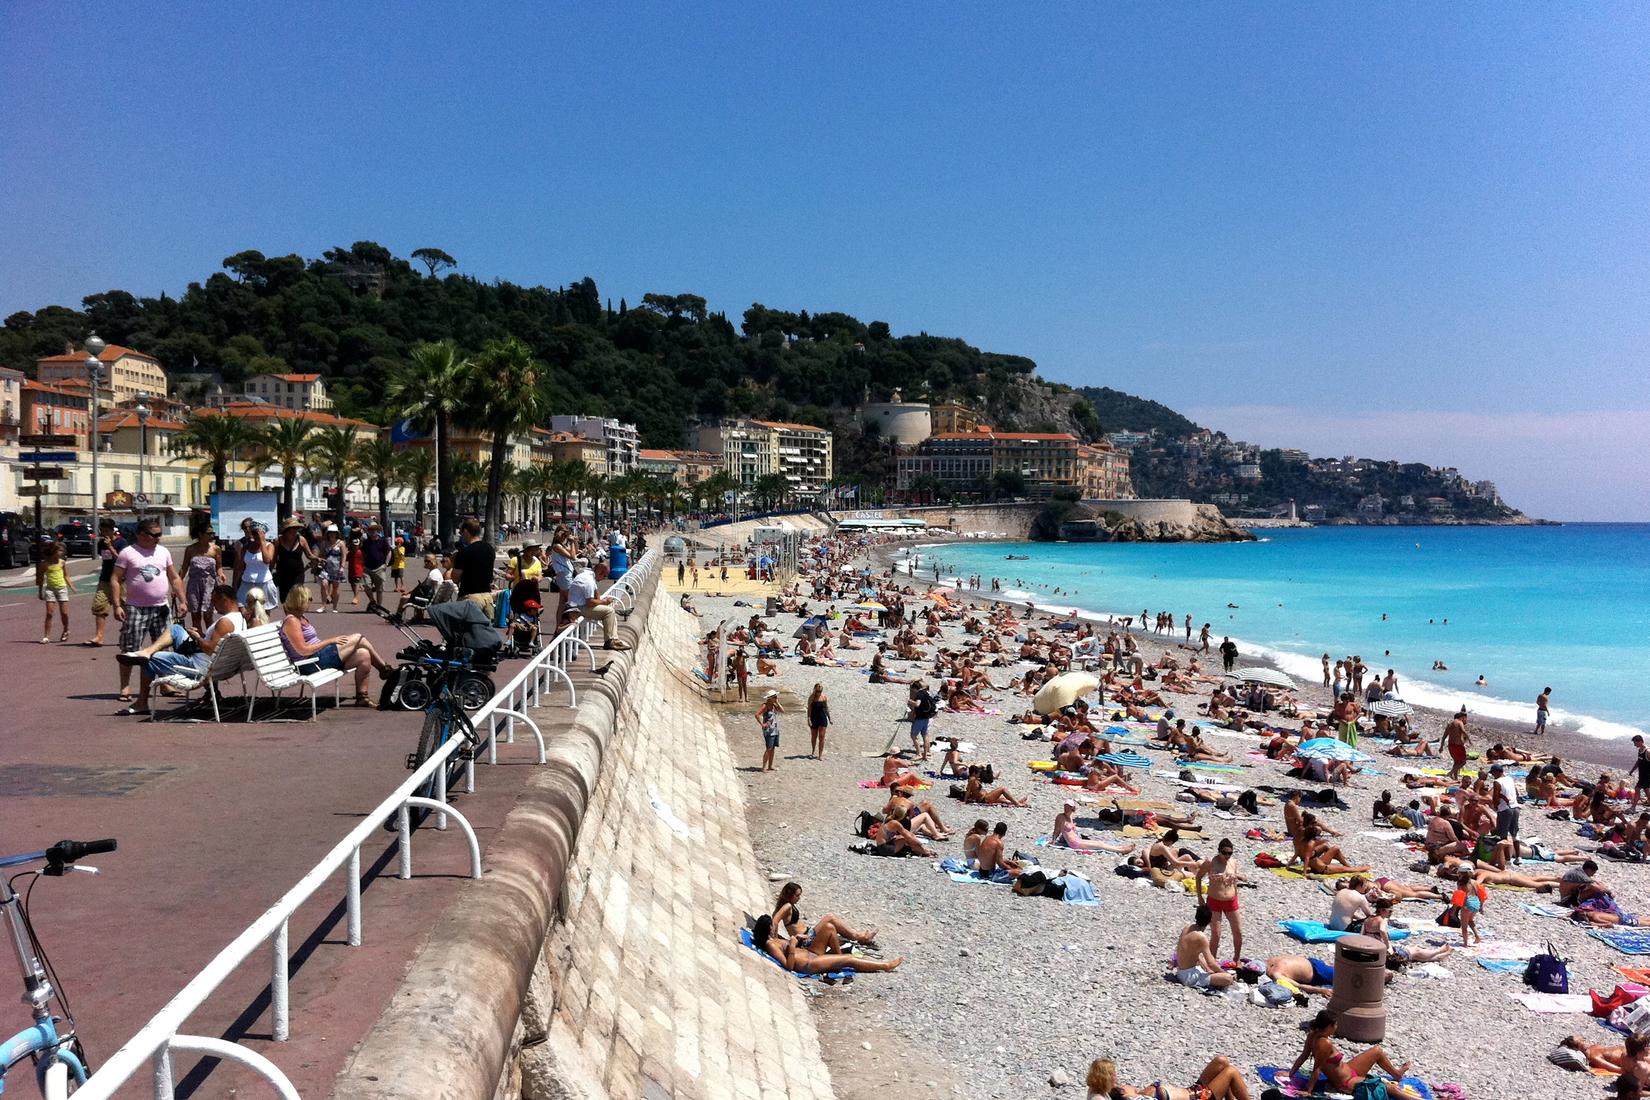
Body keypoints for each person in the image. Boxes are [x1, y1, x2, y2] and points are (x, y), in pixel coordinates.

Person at [115, 584, 245, 716]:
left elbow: (212, 650)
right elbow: (217, 647)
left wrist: (198, 638)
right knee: (176, 629)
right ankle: (147, 651)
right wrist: (201, 635)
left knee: (149, 660)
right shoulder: (240, 619)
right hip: (220, 666)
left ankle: (142, 702)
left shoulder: (225, 623)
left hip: (198, 667)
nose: (213, 605)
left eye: (214, 600)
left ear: (225, 599)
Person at [278, 584, 392, 705]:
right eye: (309, 599)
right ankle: (384, 668)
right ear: (300, 599)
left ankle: (362, 697)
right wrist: (330, 641)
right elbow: (303, 650)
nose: (311, 601)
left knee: (363, 655)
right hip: (309, 663)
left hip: (318, 657)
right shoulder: (292, 621)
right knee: (359, 638)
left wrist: (327, 643)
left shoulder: (300, 617)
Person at [112, 516, 184, 704]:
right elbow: (115, 579)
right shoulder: (127, 553)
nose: (158, 538)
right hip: (136, 608)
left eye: (160, 535)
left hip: (161, 607)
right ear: (141, 535)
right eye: (154, 535)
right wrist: (117, 605)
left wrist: (182, 600)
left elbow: (174, 577)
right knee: (130, 648)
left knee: (161, 647)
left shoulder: (163, 552)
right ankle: (125, 686)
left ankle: (164, 683)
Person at [1290, 1011, 1420, 1100]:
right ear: (1328, 1026)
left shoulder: (1313, 1035)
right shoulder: (1325, 1043)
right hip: (1346, 1082)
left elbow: (1303, 1056)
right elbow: (1317, 1069)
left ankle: (1396, 1074)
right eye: (1334, 1024)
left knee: (1377, 1051)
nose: (1336, 1027)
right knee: (1387, 1088)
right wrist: (1309, 1091)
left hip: (1349, 1070)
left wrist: (1290, 1074)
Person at [750, 914, 902, 974]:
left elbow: (791, 944)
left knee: (829, 928)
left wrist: (797, 939)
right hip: (809, 963)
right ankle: (885, 966)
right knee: (849, 959)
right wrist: (792, 946)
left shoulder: (774, 940)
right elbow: (788, 966)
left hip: (810, 953)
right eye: (772, 925)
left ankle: (837, 959)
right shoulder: (771, 945)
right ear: (768, 929)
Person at [1085, 1055, 1251, 1100]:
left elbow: (1093, 1087)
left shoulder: (1112, 1090)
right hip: (1200, 1098)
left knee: (1221, 1061)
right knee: (1231, 1072)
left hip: (1193, 1090)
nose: (1117, 1077)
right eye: (1113, 1075)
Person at [1194, 838, 1246, 962]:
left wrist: (1235, 876)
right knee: (1216, 934)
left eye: (1230, 853)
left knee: (1238, 931)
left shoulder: (1233, 862)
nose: (1227, 856)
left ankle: (1236, 959)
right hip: (1214, 900)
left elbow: (1244, 879)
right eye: (1224, 853)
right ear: (1219, 851)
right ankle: (1212, 960)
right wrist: (1200, 896)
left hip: (1231, 901)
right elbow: (1198, 877)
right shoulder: (1210, 862)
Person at [564, 558, 629, 650]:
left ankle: (614, 639)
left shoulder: (588, 575)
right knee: (609, 611)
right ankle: (610, 641)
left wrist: (601, 602)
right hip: (576, 608)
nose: (603, 579)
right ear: (600, 572)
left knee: (610, 611)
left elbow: (596, 594)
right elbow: (590, 602)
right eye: (604, 576)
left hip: (578, 605)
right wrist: (604, 602)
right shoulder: (588, 581)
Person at [1172, 904, 1235, 990]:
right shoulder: (1201, 937)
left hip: (1180, 972)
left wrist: (1207, 968)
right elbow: (1211, 963)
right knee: (1228, 978)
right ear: (1209, 921)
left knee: (1200, 955)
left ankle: (1208, 974)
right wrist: (1223, 972)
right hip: (1189, 978)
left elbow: (1194, 954)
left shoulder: (1187, 928)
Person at [448, 518, 497, 618]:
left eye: (461, 532)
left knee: (466, 631)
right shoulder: (489, 549)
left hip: (470, 597)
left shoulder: (464, 552)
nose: (461, 536)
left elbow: (455, 578)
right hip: (487, 596)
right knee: (486, 632)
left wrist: (453, 564)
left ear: (466, 531)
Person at [180, 522, 222, 632]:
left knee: (208, 615)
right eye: (209, 534)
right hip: (194, 585)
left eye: (213, 533)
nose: (212, 536)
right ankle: (197, 640)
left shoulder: (216, 549)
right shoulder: (190, 549)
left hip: (210, 585)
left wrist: (221, 574)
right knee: (195, 615)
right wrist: (178, 585)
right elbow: (184, 568)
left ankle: (210, 638)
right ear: (200, 534)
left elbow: (219, 567)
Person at [1052, 799, 1134, 855]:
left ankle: (1120, 847)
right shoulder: (1060, 817)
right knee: (1099, 845)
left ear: (1072, 808)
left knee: (1100, 843)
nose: (1066, 808)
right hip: (1074, 843)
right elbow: (1057, 830)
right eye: (1065, 806)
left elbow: (1069, 831)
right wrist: (1053, 840)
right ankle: (1121, 850)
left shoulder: (1070, 817)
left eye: (1068, 807)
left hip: (1077, 840)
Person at [235, 519, 279, 612]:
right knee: (245, 611)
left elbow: (267, 560)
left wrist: (262, 541)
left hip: (264, 583)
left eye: (257, 533)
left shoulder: (269, 546)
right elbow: (240, 567)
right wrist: (235, 584)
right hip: (247, 582)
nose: (255, 536)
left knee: (264, 613)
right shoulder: (246, 547)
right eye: (254, 533)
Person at [270, 517, 316, 603]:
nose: (296, 530)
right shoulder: (278, 541)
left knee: (297, 594)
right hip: (282, 573)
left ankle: (297, 615)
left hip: (297, 573)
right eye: (293, 528)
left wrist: (317, 558)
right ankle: (289, 615)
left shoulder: (301, 539)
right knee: (285, 598)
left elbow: (309, 555)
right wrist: (269, 571)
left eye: (297, 528)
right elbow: (274, 558)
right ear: (287, 529)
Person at [36, 538, 71, 644]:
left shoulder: (62, 562)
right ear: (54, 552)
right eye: (59, 551)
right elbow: (40, 577)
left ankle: (66, 630)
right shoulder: (45, 564)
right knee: (49, 613)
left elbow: (66, 575)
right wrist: (40, 590)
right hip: (50, 590)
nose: (61, 552)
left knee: (64, 613)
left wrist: (72, 586)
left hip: (61, 589)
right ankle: (46, 636)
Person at [1264, 954, 1336, 996]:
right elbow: (1298, 986)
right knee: (1344, 976)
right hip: (1316, 972)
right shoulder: (1274, 969)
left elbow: (1298, 986)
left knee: (1344, 974)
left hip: (1315, 968)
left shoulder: (1272, 965)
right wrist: (1321, 990)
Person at [361, 521, 392, 611]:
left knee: (380, 589)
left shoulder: (383, 541)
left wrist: (386, 563)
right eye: (371, 530)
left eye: (374, 529)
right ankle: (372, 601)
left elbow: (389, 551)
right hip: (367, 567)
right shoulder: (366, 542)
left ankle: (379, 606)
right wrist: (362, 562)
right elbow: (363, 552)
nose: (373, 531)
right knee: (366, 586)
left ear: (377, 530)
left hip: (379, 567)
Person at [907, 678, 937, 760]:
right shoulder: (926, 692)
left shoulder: (919, 694)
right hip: (927, 717)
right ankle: (927, 753)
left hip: (920, 718)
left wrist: (910, 701)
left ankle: (919, 753)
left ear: (914, 688)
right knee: (925, 735)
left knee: (913, 736)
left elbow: (917, 704)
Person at [756, 690, 782, 772]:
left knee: (773, 748)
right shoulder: (765, 706)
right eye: (774, 697)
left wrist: (777, 703)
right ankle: (763, 767)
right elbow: (757, 715)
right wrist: (762, 724)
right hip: (768, 731)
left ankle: (770, 766)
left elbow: (782, 710)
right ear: (770, 698)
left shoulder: (774, 705)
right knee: (768, 748)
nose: (776, 698)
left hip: (775, 729)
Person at [1443, 708, 1471, 780]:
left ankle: (1455, 778)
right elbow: (1463, 731)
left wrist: (1441, 746)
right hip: (1458, 746)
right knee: (1463, 762)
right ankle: (1451, 773)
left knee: (1456, 762)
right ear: (1461, 718)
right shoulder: (1459, 722)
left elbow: (1444, 736)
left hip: (1450, 745)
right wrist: (1469, 740)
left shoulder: (1450, 723)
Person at [807, 683, 830, 759]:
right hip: (814, 718)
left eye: (820, 691)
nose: (818, 693)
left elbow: (826, 708)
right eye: (817, 691)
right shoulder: (811, 698)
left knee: (822, 736)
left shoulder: (824, 697)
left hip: (822, 718)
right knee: (814, 736)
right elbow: (809, 709)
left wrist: (829, 718)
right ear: (815, 690)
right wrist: (809, 719)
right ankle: (813, 751)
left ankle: (820, 755)